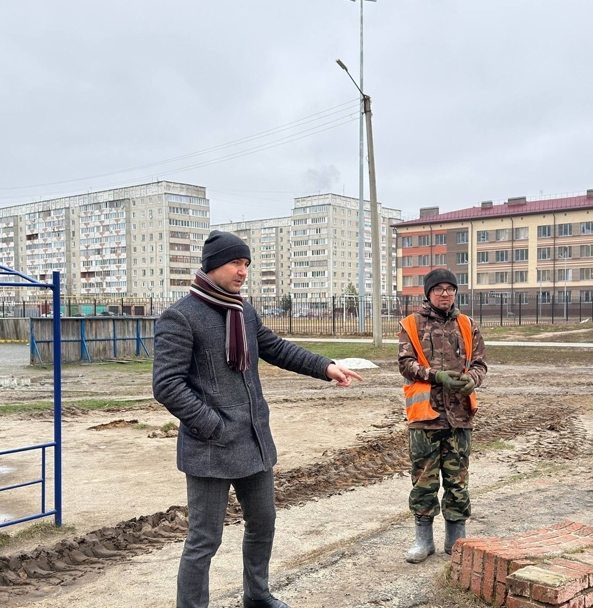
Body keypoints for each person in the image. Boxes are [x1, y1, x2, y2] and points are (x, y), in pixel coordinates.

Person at [153, 231, 364, 608]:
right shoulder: (180, 316)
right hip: (210, 449)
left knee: (263, 524)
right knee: (204, 540)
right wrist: (213, 426)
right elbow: (167, 385)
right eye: (236, 263)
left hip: (253, 443)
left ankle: (257, 595)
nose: (243, 271)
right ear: (214, 264)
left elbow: (276, 348)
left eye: (247, 264)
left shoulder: (242, 312)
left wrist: (326, 366)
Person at [397, 268, 487, 563]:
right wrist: (437, 376)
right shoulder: (411, 324)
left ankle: (456, 541)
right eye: (439, 289)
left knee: (458, 480)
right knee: (424, 480)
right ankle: (423, 541)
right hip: (425, 417)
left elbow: (480, 364)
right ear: (428, 293)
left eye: (450, 289)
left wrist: (473, 379)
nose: (445, 293)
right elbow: (405, 364)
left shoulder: (468, 325)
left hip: (459, 416)